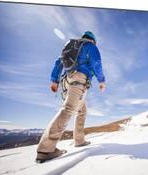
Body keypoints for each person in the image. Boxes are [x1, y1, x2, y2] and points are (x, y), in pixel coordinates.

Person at [36, 31, 106, 163]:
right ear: (93, 40)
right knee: (68, 109)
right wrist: (101, 81)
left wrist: (54, 80)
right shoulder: (90, 46)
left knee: (82, 111)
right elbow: (96, 63)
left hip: (67, 80)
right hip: (79, 80)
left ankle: (79, 140)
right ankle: (46, 149)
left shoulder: (71, 45)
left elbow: (58, 63)